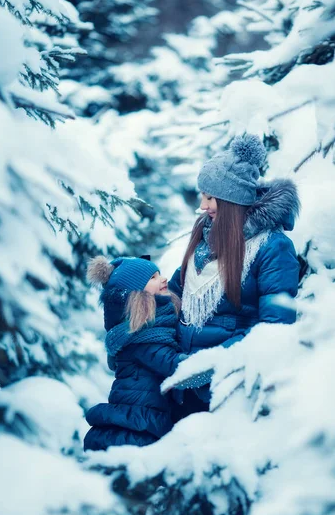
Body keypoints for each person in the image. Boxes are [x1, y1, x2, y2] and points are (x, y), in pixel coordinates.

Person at [166, 133, 301, 413]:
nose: (203, 206)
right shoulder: (205, 238)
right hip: (180, 380)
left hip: (223, 390)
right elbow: (174, 296)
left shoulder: (271, 247)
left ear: (230, 200)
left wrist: (208, 367)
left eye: (210, 197)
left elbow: (273, 328)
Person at [83, 256, 187, 451]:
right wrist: (211, 362)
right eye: (153, 278)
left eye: (160, 274)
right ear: (137, 295)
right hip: (138, 422)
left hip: (145, 414)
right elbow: (173, 364)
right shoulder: (142, 338)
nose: (163, 279)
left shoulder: (154, 325)